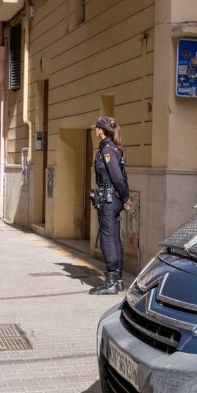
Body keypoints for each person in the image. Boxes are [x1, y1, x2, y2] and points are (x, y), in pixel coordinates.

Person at [89, 116, 131, 295]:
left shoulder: (107, 150)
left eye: (96, 128)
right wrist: (124, 198)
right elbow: (122, 177)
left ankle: (112, 281)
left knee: (108, 238)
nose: (95, 131)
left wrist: (125, 197)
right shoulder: (114, 148)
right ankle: (118, 280)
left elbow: (118, 177)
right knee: (113, 237)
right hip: (113, 198)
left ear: (100, 130)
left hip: (109, 199)